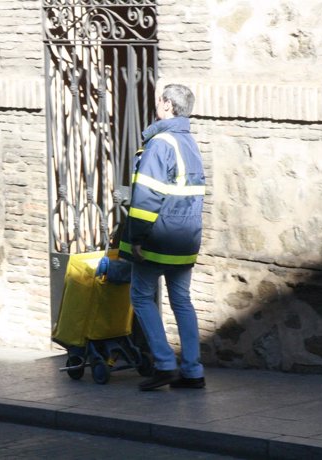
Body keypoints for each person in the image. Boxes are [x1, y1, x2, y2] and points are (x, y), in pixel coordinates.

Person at [119, 83, 206, 391]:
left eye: (159, 100)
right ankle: (193, 371)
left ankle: (165, 364)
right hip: (186, 236)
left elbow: (147, 195)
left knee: (141, 296)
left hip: (159, 236)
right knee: (181, 300)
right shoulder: (190, 143)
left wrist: (137, 237)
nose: (157, 105)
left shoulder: (160, 143)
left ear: (168, 105)